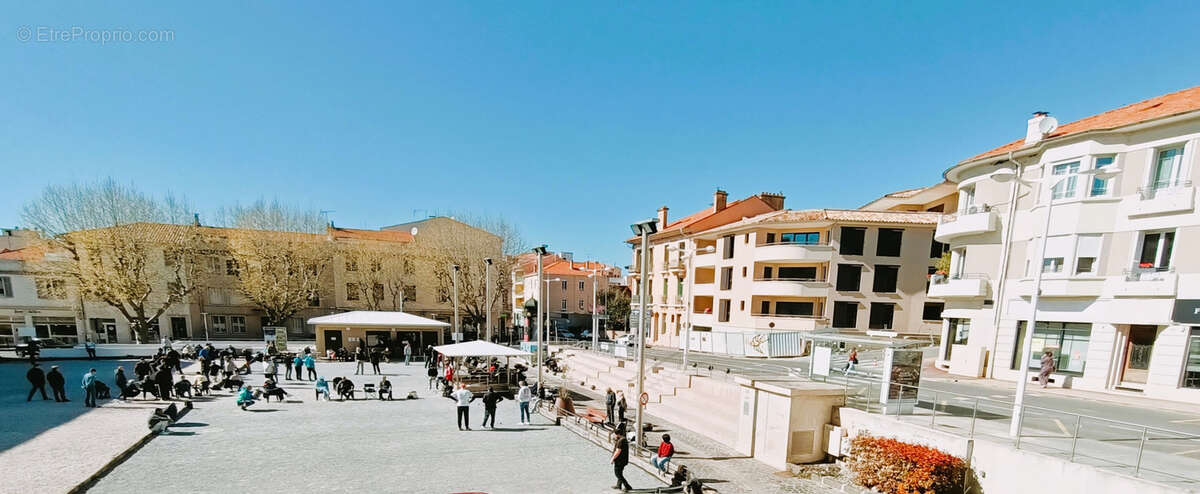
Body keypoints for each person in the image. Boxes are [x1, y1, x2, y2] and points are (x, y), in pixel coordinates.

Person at [610, 422, 633, 491]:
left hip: (620, 460)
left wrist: (612, 459)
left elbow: (618, 451)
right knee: (620, 473)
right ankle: (618, 485)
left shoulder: (621, 441)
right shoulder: (622, 439)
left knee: (618, 474)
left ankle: (627, 486)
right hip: (623, 460)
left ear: (617, 434)